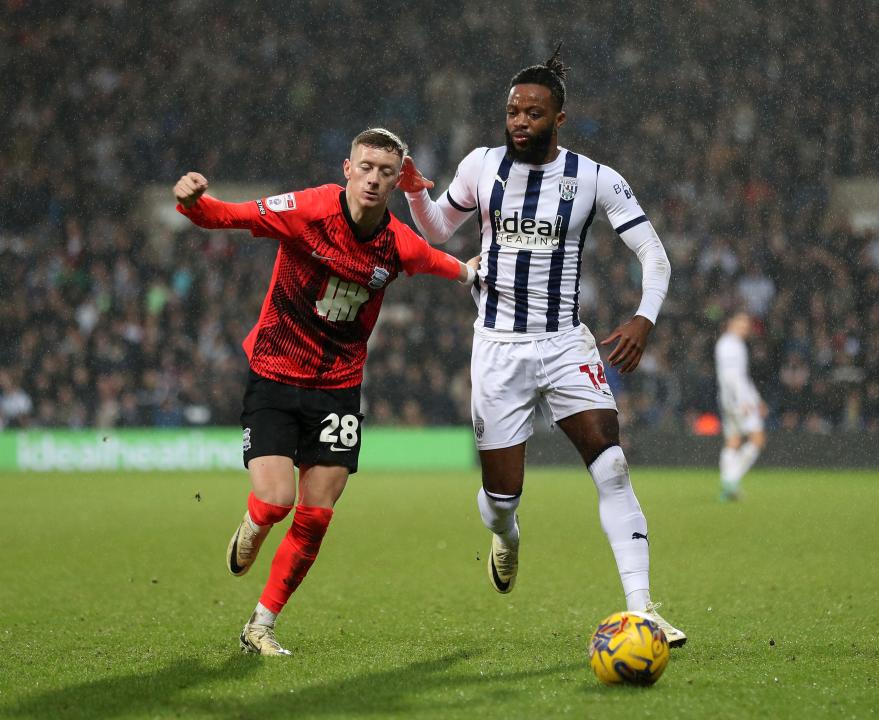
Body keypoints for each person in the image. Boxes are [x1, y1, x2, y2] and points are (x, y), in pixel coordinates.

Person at [397, 48, 686, 647]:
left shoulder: (594, 178)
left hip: (564, 343)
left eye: (533, 112)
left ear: (559, 118)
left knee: (611, 463)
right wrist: (413, 193)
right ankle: (506, 532)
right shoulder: (481, 166)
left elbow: (654, 255)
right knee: (502, 498)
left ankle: (642, 608)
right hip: (498, 349)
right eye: (512, 111)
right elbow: (437, 231)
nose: (520, 121)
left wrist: (643, 318)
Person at [174, 128, 479, 656]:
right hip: (274, 371)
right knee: (276, 502)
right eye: (366, 167)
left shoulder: (398, 243)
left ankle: (261, 625)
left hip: (338, 390)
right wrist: (193, 203)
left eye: (386, 172)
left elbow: (439, 261)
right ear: (347, 168)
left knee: (315, 517)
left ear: (394, 179)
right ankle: (254, 521)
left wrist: (468, 273)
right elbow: (229, 216)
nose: (374, 179)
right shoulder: (308, 209)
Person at [715, 311, 766, 500]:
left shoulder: (734, 344)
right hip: (737, 401)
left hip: (732, 400)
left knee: (733, 441)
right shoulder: (729, 345)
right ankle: (731, 480)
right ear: (731, 324)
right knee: (757, 439)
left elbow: (742, 378)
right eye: (741, 324)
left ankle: (729, 484)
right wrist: (742, 402)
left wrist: (757, 399)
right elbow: (731, 378)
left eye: (747, 325)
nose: (745, 328)